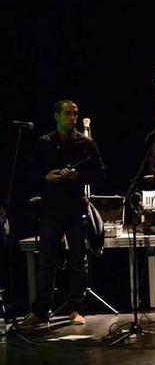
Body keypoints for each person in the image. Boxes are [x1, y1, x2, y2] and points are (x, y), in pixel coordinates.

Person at [20, 100, 106, 328]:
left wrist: (77, 176)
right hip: (51, 208)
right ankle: (41, 311)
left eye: (75, 114)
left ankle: (76, 308)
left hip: (76, 207)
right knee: (47, 260)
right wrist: (46, 178)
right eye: (67, 114)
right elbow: (30, 174)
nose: (72, 118)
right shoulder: (44, 143)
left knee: (79, 259)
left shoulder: (86, 143)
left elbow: (99, 173)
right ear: (56, 116)